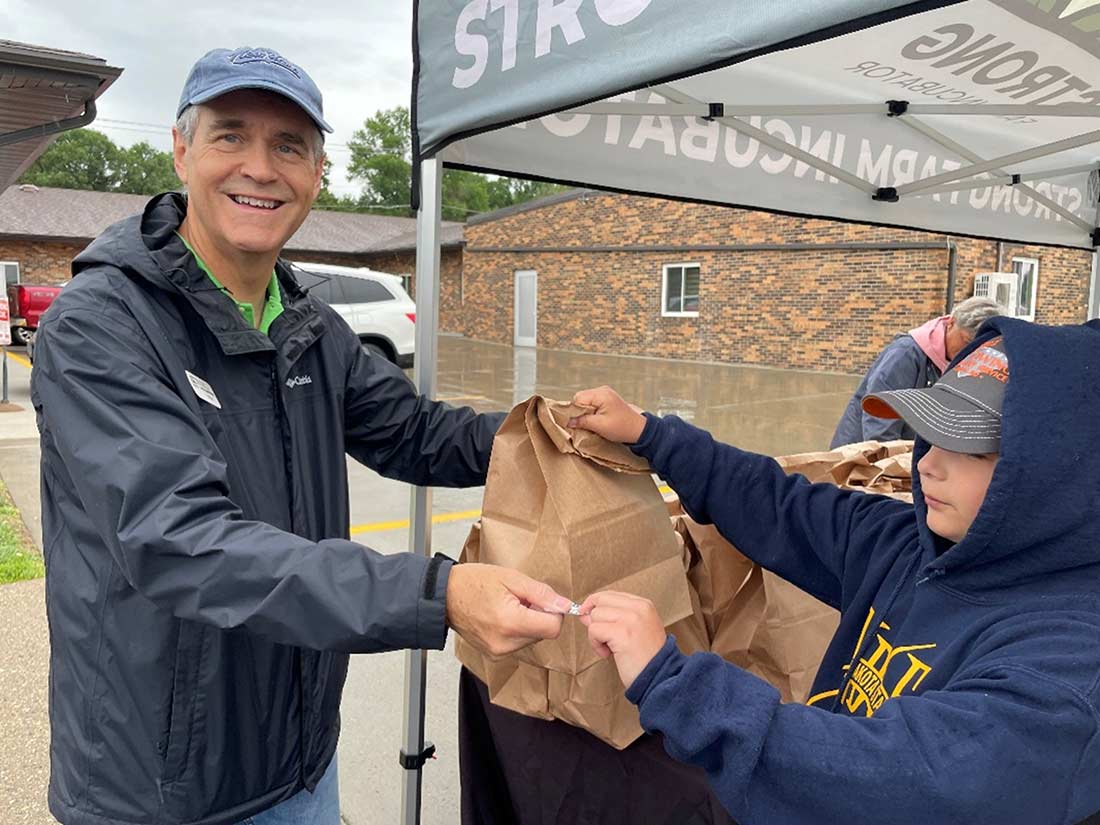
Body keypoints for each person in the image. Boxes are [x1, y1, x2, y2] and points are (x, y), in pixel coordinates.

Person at [31, 47, 570, 825]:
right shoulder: (105, 325)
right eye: (230, 136)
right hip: (163, 790)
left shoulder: (309, 325)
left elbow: (416, 432)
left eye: (289, 145)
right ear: (181, 150)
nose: (260, 167)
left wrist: (552, 432)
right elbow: (182, 541)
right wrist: (438, 592)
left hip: (301, 762)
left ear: (318, 171)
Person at [567, 317, 1100, 825]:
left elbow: (896, 780)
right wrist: (649, 434)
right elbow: (775, 503)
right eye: (929, 433)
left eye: (969, 448)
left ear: (1058, 479)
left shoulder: (1068, 667)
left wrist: (674, 682)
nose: (928, 463)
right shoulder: (912, 544)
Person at [830, 295, 1003, 447]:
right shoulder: (906, 353)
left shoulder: (963, 364)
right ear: (951, 323)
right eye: (966, 342)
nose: (970, 351)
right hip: (865, 456)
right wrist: (891, 467)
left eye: (977, 347)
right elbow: (880, 420)